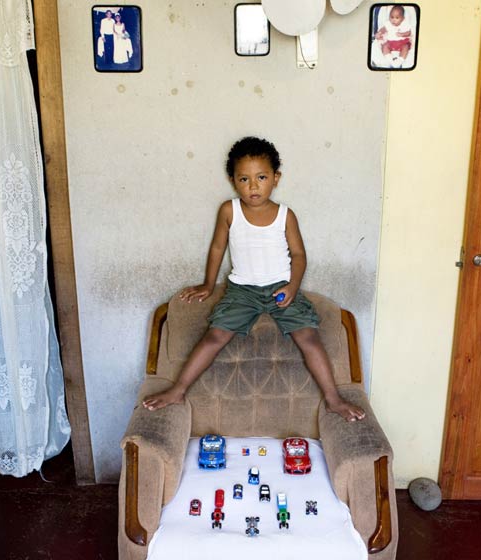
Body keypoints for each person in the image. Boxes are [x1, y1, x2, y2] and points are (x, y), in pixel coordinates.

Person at [142, 137, 365, 422]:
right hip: (241, 292)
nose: (253, 186)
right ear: (233, 181)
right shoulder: (229, 210)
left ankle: (334, 400)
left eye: (261, 177)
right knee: (214, 337)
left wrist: (293, 287)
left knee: (309, 338)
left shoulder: (285, 215)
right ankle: (178, 390)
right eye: (244, 179)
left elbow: (299, 255)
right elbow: (217, 248)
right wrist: (208, 284)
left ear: (276, 178)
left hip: (281, 289)